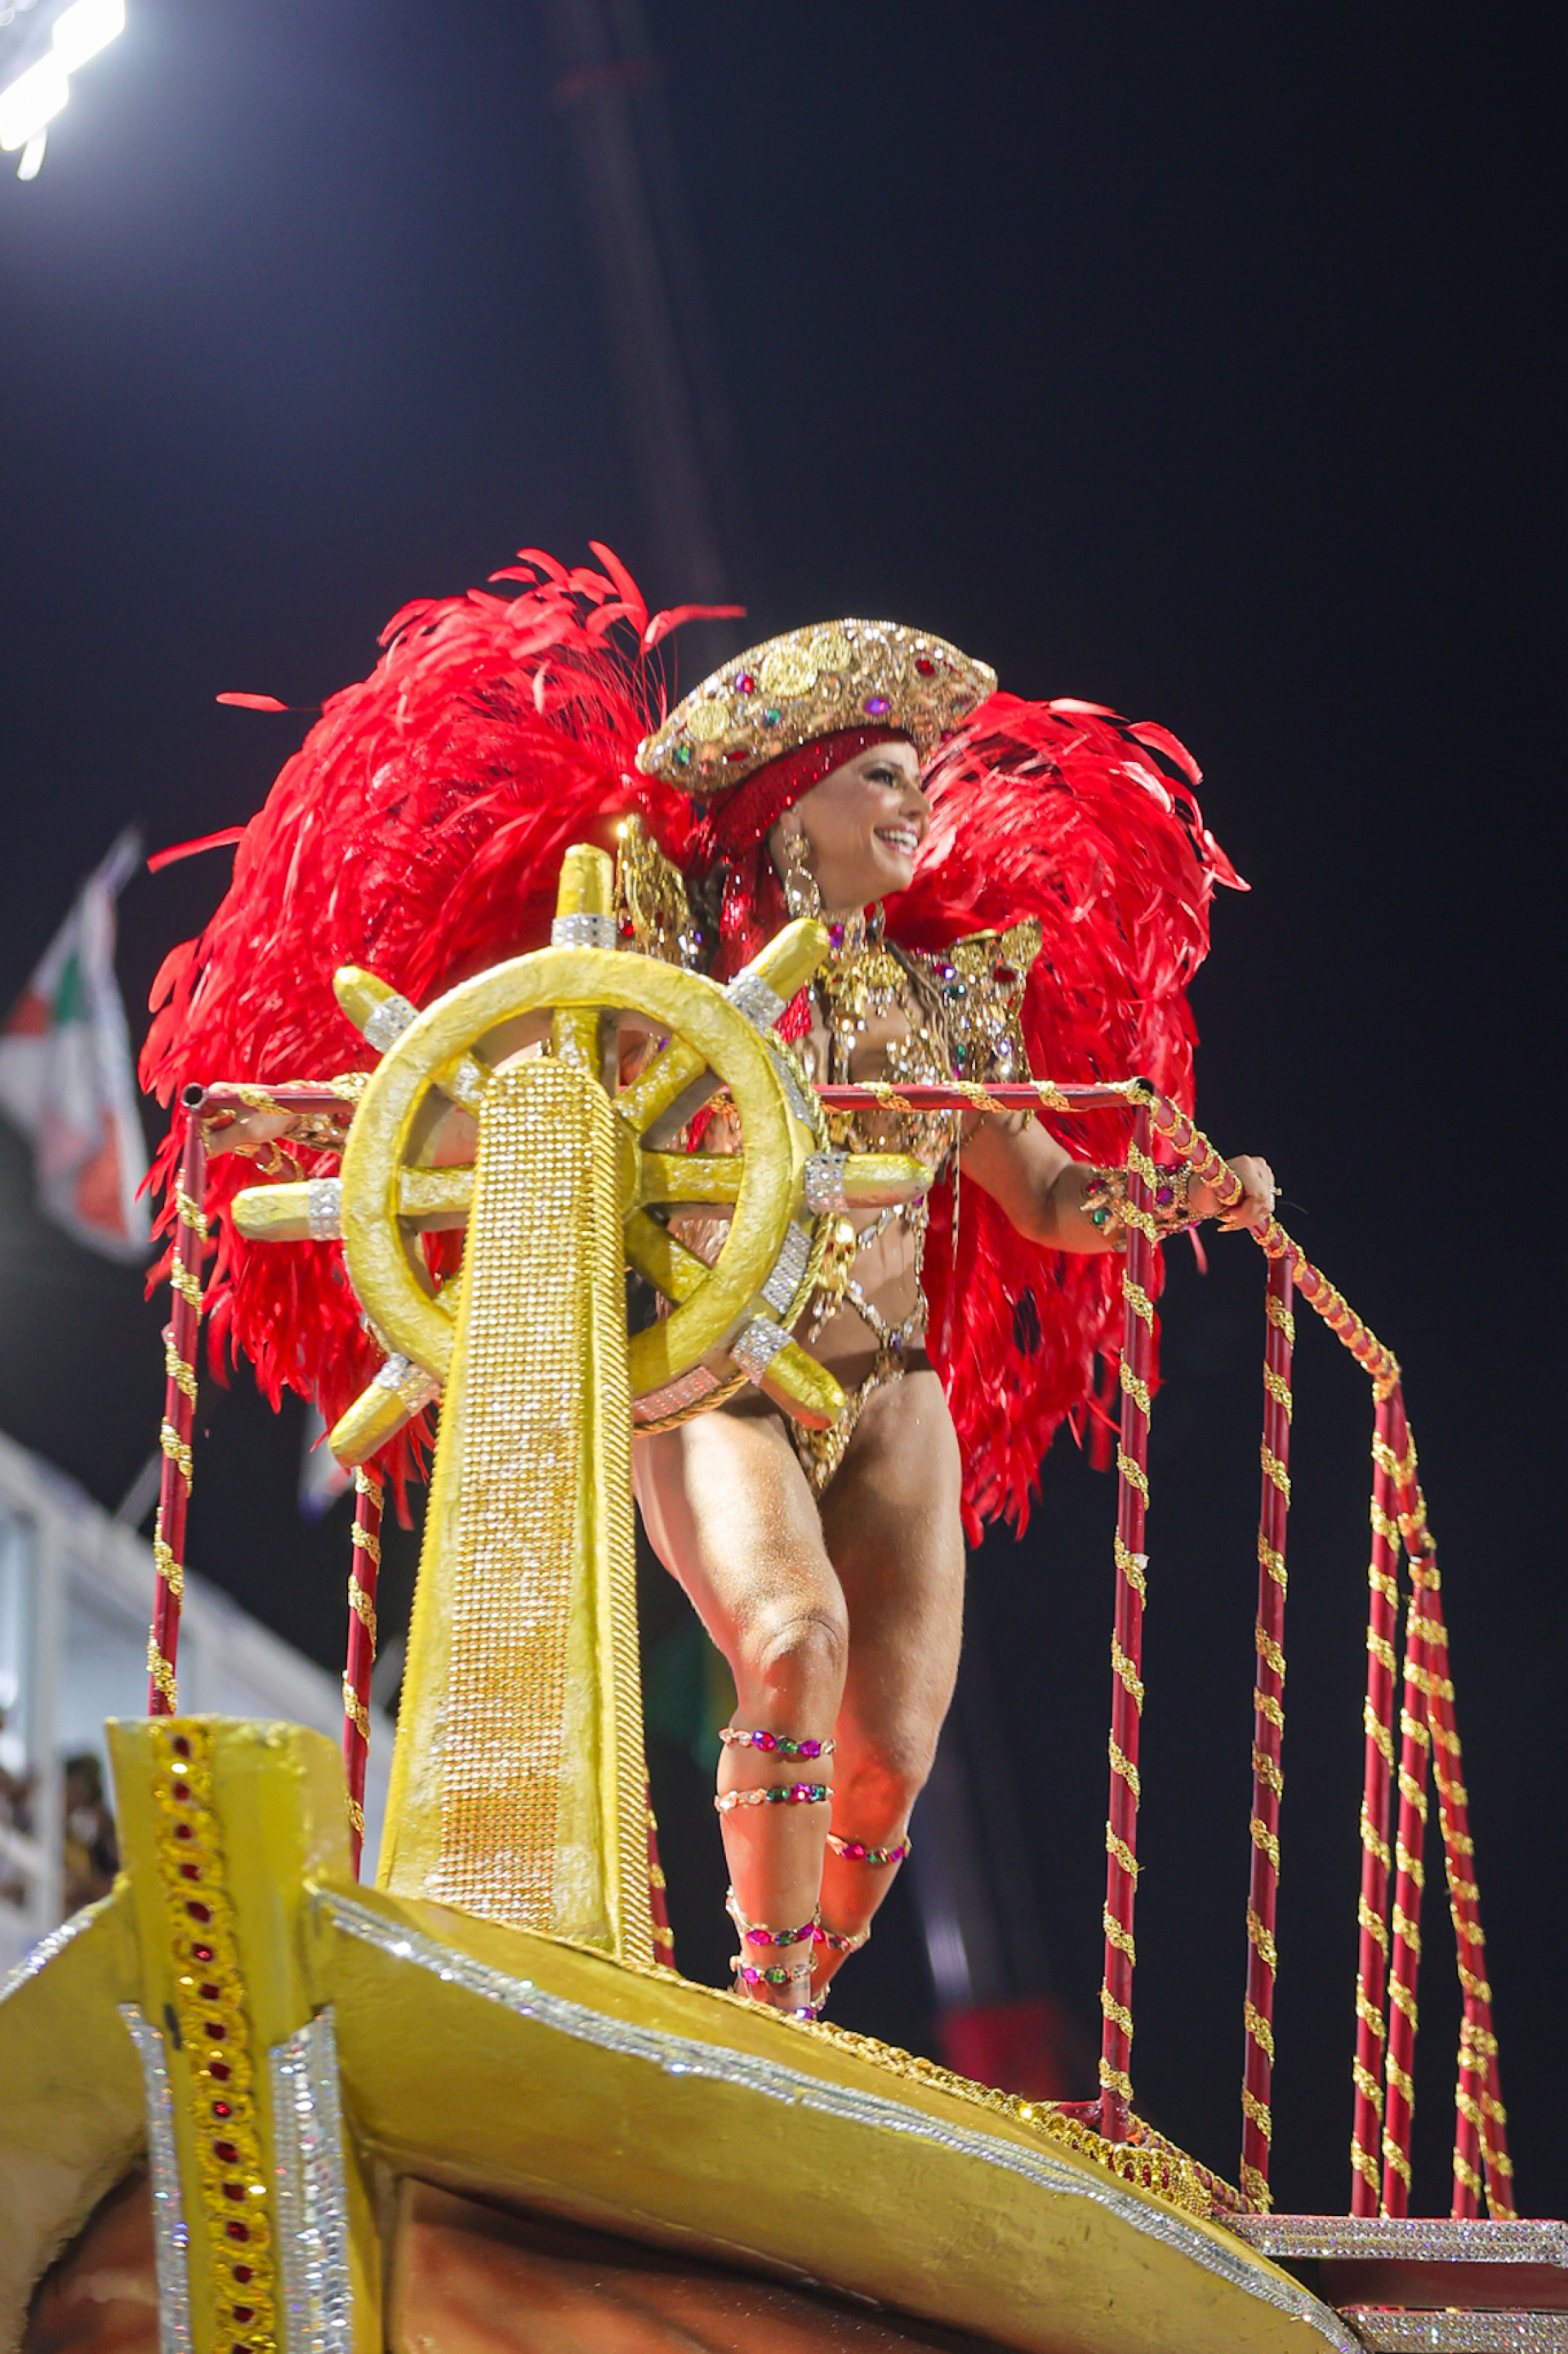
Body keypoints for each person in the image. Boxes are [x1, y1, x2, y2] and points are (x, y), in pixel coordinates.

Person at [142, 554, 1272, 2020]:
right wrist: (298, 1119)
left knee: (891, 1759)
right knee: (792, 1644)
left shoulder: (945, 1002)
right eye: (879, 771)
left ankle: (804, 1992)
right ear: (790, 808)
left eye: (916, 773)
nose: (915, 797)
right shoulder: (660, 979)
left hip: (892, 1391)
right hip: (712, 1379)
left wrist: (1166, 1194)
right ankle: (763, 2005)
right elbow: (476, 1101)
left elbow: (1047, 1192)